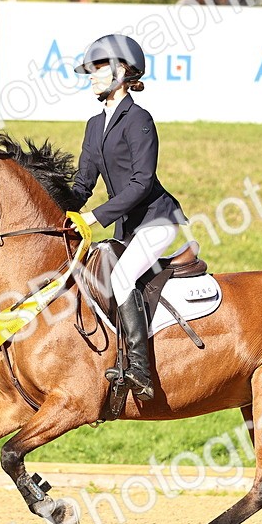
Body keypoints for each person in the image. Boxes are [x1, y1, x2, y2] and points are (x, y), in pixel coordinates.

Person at [70, 34, 188, 401]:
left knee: (121, 278)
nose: (90, 76)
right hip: (128, 227)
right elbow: (83, 182)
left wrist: (94, 217)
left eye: (98, 67)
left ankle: (139, 369)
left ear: (122, 70)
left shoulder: (139, 119)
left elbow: (142, 182)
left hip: (156, 221)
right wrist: (61, 212)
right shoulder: (94, 124)